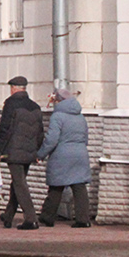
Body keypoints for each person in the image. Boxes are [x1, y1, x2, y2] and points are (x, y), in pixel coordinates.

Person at [0, 75, 44, 229]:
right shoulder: (35, 106)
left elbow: (4, 130)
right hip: (29, 152)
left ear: (13, 88)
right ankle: (8, 216)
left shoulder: (10, 104)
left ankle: (31, 219)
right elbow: (40, 132)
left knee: (20, 184)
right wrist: (37, 151)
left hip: (13, 151)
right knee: (17, 182)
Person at [37, 88, 92, 227]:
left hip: (62, 154)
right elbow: (85, 137)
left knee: (56, 186)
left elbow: (52, 139)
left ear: (58, 101)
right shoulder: (80, 116)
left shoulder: (58, 116)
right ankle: (83, 220)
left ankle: (47, 217)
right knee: (79, 187)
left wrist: (41, 154)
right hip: (80, 154)